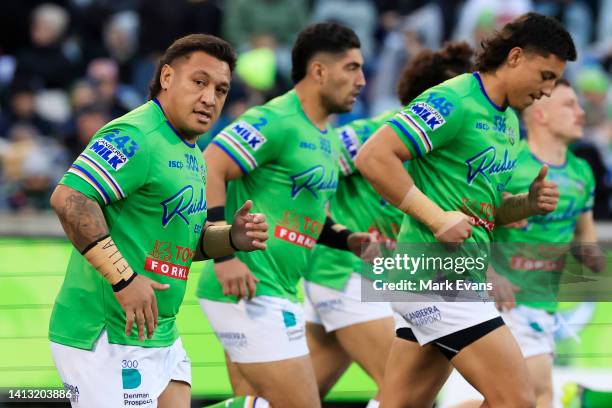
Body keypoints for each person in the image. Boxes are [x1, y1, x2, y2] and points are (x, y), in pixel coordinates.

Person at [356, 13, 576, 407]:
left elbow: (483, 213)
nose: (548, 89)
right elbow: (373, 156)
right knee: (519, 401)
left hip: (450, 276)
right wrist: (437, 219)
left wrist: (526, 203)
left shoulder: (508, 121)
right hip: (436, 276)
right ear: (516, 57)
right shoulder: (452, 99)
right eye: (545, 75)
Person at [48, 34, 269, 408]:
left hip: (159, 332)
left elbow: (187, 244)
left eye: (221, 89)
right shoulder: (137, 134)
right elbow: (70, 198)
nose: (210, 99)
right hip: (106, 335)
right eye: (199, 82)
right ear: (167, 77)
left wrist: (231, 237)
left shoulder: (192, 151)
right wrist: (124, 278)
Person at [198, 22, 367, 408]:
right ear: (319, 71)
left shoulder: (325, 135)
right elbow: (212, 165)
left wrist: (346, 239)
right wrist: (224, 257)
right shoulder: (275, 119)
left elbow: (304, 215)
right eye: (352, 68)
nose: (362, 80)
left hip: (275, 288)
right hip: (248, 285)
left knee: (255, 401)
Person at [303, 42, 475, 408]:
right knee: (402, 394)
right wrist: (334, 229)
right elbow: (304, 177)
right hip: (344, 273)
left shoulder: (448, 159)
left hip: (372, 280)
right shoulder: (372, 135)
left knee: (297, 400)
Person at [483, 79, 602, 408]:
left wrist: (595, 260)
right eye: (569, 105)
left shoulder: (582, 173)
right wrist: (490, 275)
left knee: (510, 401)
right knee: (535, 398)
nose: (580, 113)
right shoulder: (508, 163)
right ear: (540, 115)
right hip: (505, 305)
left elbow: (586, 240)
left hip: (543, 304)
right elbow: (471, 225)